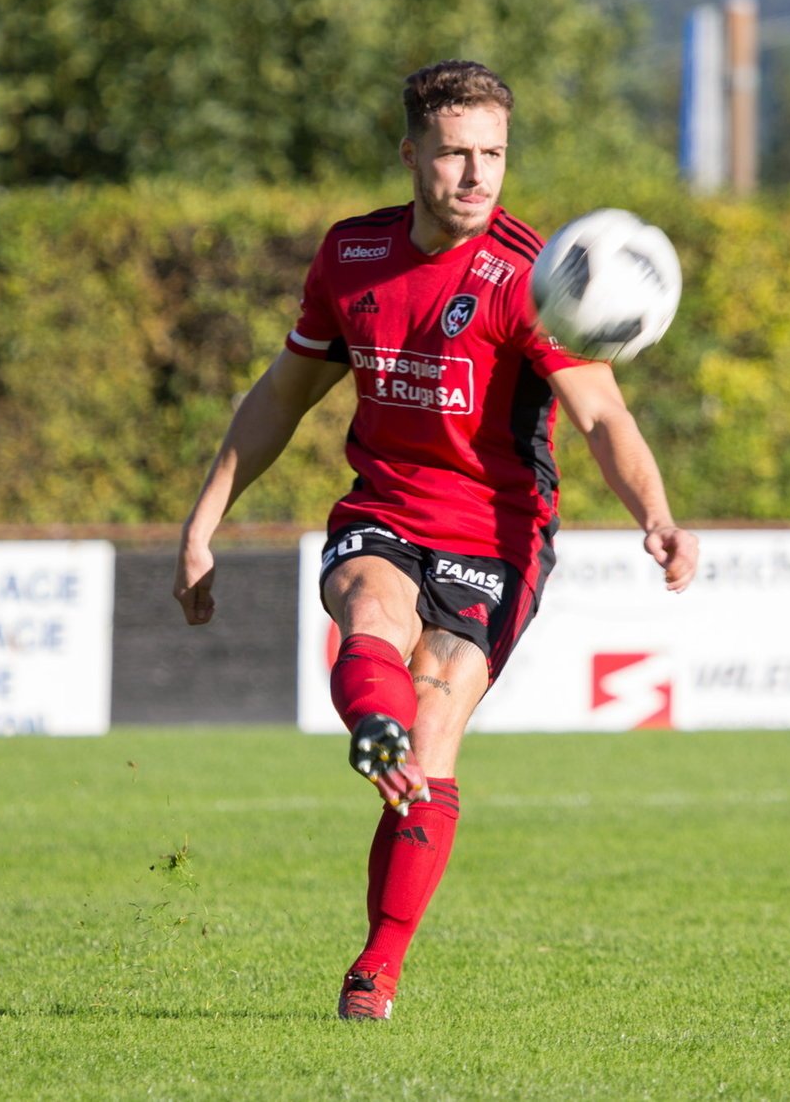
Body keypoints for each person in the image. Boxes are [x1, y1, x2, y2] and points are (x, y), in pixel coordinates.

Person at [172, 60, 699, 1021]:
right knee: (368, 606)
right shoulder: (353, 256)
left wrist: (656, 515)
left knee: (436, 727)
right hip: (385, 503)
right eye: (455, 153)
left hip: (496, 536)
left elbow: (603, 419)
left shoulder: (539, 277)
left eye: (493, 154)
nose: (476, 176)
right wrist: (204, 522)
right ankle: (371, 728)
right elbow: (282, 395)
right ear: (411, 153)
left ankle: (376, 965)